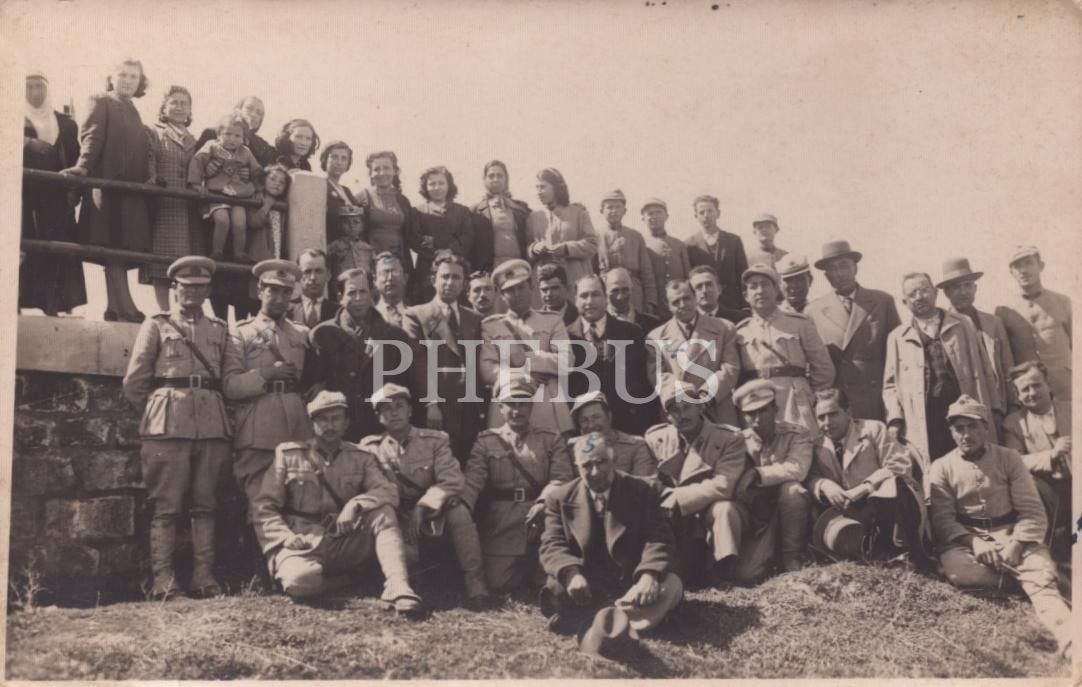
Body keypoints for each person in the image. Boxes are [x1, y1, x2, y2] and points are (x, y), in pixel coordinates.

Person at [252, 390, 422, 616]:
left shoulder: (361, 456)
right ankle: (351, 579)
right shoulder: (289, 455)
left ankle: (398, 587)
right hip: (304, 542)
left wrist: (356, 505)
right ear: (312, 424)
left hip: (345, 537)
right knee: (299, 582)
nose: (330, 425)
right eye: (323, 419)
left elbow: (387, 491)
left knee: (384, 512)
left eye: (336, 419)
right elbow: (264, 506)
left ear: (346, 423)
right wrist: (285, 537)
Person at [929, 395, 1071, 658]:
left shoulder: (1009, 458)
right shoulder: (941, 466)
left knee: (1045, 592)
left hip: (1012, 534)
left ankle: (1071, 639)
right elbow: (943, 520)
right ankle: (1034, 578)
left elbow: (1032, 510)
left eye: (973, 426)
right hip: (968, 541)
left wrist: (1016, 546)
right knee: (961, 574)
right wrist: (975, 543)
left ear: (985, 427)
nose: (966, 434)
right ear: (951, 432)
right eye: (959, 428)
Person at [122, 256, 229, 599]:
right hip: (166, 428)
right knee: (166, 507)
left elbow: (227, 379)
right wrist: (158, 411)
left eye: (200, 287)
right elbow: (135, 383)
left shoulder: (219, 329)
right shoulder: (157, 325)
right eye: (186, 287)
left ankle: (204, 576)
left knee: (205, 505)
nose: (193, 293)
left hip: (211, 426)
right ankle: (163, 581)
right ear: (174, 288)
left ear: (208, 290)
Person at [538, 431, 683, 647]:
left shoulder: (645, 490)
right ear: (577, 467)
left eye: (601, 462)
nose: (595, 472)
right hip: (587, 587)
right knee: (557, 589)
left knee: (670, 585)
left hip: (632, 584)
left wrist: (649, 575)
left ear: (614, 460)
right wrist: (571, 574)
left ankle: (598, 620)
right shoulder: (558, 498)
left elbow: (659, 537)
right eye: (587, 465)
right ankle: (625, 620)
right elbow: (552, 544)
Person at [360, 383, 490, 608]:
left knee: (459, 511)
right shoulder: (371, 448)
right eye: (386, 409)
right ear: (379, 417)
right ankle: (402, 585)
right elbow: (374, 489)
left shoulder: (435, 441)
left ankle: (475, 582)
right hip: (397, 516)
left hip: (432, 513)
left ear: (410, 410)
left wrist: (423, 506)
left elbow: (452, 479)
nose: (394, 413)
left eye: (399, 406)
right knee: (408, 555)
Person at [60, 57, 153, 323]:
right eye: (122, 74)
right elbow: (92, 137)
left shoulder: (133, 109)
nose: (128, 81)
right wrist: (83, 166)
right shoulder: (101, 100)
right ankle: (127, 307)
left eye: (134, 77)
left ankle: (115, 307)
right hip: (108, 187)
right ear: (111, 78)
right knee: (112, 247)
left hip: (130, 191)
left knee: (120, 247)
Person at [462, 374, 574, 592]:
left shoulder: (550, 439)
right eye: (511, 404)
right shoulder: (486, 441)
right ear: (500, 408)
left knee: (549, 582)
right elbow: (473, 480)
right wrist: (462, 506)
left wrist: (543, 502)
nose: (517, 410)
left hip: (542, 517)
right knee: (498, 583)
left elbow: (561, 477)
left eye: (523, 403)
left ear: (531, 406)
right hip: (502, 520)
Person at [882, 272, 1000, 468]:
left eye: (924, 290)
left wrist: (995, 408)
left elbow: (985, 368)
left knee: (975, 464)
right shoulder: (897, 337)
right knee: (936, 468)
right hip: (925, 416)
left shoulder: (962, 324)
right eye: (912, 294)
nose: (919, 297)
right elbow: (890, 386)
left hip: (964, 410)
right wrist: (895, 419)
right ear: (904, 302)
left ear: (935, 293)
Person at [223, 259, 315, 506]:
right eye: (273, 290)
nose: (279, 299)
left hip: (297, 430)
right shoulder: (240, 332)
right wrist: (266, 374)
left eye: (286, 292)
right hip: (258, 432)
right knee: (261, 507)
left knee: (299, 507)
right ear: (260, 290)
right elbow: (231, 385)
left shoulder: (302, 333)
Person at [643, 380, 748, 587]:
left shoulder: (728, 438)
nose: (682, 415)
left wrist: (677, 497)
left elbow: (724, 485)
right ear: (667, 416)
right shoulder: (656, 439)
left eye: (687, 407)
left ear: (700, 407)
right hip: (675, 516)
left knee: (725, 509)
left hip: (709, 509)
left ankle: (723, 572)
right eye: (675, 410)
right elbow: (650, 482)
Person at [808, 388, 929, 564]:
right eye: (821, 417)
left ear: (848, 412)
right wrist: (824, 485)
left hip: (885, 508)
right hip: (850, 516)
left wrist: (865, 487)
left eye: (833, 414)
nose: (827, 423)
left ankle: (908, 552)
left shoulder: (873, 429)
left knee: (894, 484)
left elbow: (899, 465)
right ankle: (864, 555)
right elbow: (811, 477)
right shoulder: (818, 445)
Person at [308, 268, 424, 441]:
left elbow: (406, 387)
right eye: (351, 293)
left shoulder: (395, 336)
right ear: (340, 296)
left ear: (372, 294)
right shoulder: (322, 335)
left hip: (382, 430)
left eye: (363, 292)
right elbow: (315, 388)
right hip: (338, 432)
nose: (358, 299)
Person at [402, 251, 486, 463]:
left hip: (469, 410)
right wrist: (431, 403)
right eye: (445, 276)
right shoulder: (416, 315)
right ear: (433, 280)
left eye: (456, 277)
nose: (450, 282)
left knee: (469, 466)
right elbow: (417, 364)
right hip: (437, 410)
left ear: (464, 283)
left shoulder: (475, 319)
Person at [807, 240, 900, 422]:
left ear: (855, 268)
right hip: (837, 401)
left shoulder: (882, 301)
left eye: (844, 266)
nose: (839, 273)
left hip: (876, 397)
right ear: (826, 276)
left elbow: (898, 353)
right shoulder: (813, 311)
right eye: (832, 269)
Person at [734, 264, 835, 434]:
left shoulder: (800, 324)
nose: (760, 291)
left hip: (795, 403)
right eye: (753, 286)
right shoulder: (740, 332)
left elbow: (824, 369)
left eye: (765, 284)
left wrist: (809, 397)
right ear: (746, 296)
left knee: (804, 444)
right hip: (757, 406)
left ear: (777, 289)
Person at [729, 380, 813, 581]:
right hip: (759, 517)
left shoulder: (796, 434)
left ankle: (793, 557)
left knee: (792, 490)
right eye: (751, 413)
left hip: (793, 510)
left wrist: (757, 474)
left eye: (763, 411)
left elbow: (797, 469)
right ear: (744, 416)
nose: (757, 419)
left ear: (775, 409)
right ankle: (770, 555)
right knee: (748, 574)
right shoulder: (738, 441)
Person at [479, 259, 574, 437]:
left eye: (521, 287)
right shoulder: (491, 326)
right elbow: (487, 369)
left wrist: (527, 359)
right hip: (508, 407)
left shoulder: (552, 321)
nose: (517, 294)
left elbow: (567, 361)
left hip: (547, 406)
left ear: (531, 287)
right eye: (510, 290)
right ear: (501, 295)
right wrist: (523, 375)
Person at [21, 70, 86, 316]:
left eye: (39, 86)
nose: (35, 92)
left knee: (58, 247)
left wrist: (74, 192)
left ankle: (55, 305)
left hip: (57, 196)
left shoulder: (65, 123)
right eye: (29, 87)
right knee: (25, 245)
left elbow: (76, 157)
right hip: (24, 195)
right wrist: (29, 142)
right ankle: (17, 304)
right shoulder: (11, 117)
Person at [567, 276, 659, 434]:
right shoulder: (566, 337)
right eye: (584, 296)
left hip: (631, 427)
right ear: (575, 300)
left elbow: (646, 385)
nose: (589, 301)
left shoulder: (632, 332)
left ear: (605, 297)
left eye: (595, 294)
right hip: (587, 430)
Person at [1002, 361, 1071, 562]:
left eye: (1037, 385)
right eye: (1025, 389)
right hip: (1049, 492)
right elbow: (1015, 461)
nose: (1032, 393)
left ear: (1048, 385)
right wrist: (1051, 455)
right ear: (1017, 396)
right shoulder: (1013, 423)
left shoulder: (1074, 409)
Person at [647, 280, 741, 426]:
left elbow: (730, 367)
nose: (683, 305)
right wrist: (685, 397)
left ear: (695, 297)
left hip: (717, 409)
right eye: (676, 302)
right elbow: (659, 376)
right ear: (667, 305)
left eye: (686, 298)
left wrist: (705, 395)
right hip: (679, 411)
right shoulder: (656, 337)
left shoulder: (724, 328)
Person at [142, 85, 198, 312]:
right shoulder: (154, 131)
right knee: (161, 257)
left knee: (184, 260)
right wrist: (153, 180)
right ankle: (164, 311)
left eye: (184, 103)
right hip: (164, 202)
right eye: (174, 102)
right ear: (164, 107)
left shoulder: (194, 139)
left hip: (186, 206)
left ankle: (181, 311)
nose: (179, 107)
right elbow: (149, 160)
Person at [938, 257, 1015, 414]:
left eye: (967, 285)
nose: (963, 292)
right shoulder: (942, 327)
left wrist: (1014, 405)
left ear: (975, 288)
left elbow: (1007, 366)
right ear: (946, 293)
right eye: (956, 287)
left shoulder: (993, 323)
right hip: (962, 407)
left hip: (997, 404)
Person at [995, 246, 1072, 402]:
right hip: (1030, 392)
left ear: (1041, 266)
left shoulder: (1064, 302)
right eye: (1017, 266)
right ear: (1011, 272)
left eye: (1029, 263)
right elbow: (1003, 357)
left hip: (1065, 386)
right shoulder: (1004, 311)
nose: (1023, 270)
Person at [189, 113, 262, 262]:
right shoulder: (212, 146)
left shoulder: (245, 152)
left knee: (240, 224)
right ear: (219, 134)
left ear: (244, 138)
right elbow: (197, 161)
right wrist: (196, 184)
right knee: (222, 221)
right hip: (217, 193)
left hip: (238, 193)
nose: (232, 139)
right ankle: (217, 252)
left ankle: (239, 253)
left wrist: (259, 190)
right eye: (227, 134)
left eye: (237, 136)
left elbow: (257, 171)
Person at [526, 168, 598, 306]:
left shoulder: (578, 213)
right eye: (537, 188)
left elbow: (592, 244)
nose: (538, 192)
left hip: (574, 277)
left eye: (543, 187)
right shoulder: (533, 217)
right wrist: (534, 249)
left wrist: (567, 248)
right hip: (545, 283)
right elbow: (525, 248)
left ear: (556, 188)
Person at [409, 166, 476, 305]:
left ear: (449, 185)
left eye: (441, 183)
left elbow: (468, 236)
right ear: (425, 187)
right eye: (432, 184)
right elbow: (414, 238)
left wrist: (450, 251)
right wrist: (435, 253)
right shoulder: (417, 212)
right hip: (427, 269)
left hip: (456, 266)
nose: (437, 187)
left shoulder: (462, 211)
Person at [594, 189, 659, 318]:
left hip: (633, 292)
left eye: (618, 207)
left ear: (624, 211)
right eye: (609, 207)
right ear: (601, 211)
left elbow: (646, 271)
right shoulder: (595, 236)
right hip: (606, 291)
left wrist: (651, 300)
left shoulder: (636, 236)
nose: (614, 211)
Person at [356, 150, 418, 274]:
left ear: (394, 171)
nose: (382, 173)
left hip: (400, 258)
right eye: (377, 169)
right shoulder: (362, 197)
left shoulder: (402, 200)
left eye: (386, 168)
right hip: (372, 258)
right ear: (371, 174)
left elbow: (412, 233)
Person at [569, 391, 658, 476]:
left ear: (609, 417)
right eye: (584, 420)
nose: (591, 425)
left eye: (596, 417)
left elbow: (644, 483)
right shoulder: (571, 450)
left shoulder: (636, 445)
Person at [685, 195, 749, 311]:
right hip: (703, 306)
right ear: (696, 216)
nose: (706, 215)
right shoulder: (689, 244)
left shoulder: (733, 240)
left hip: (732, 305)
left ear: (718, 213)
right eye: (701, 212)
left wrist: (745, 305)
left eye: (710, 211)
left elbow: (743, 275)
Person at [470, 160, 532, 274]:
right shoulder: (474, 212)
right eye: (491, 176)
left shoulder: (521, 208)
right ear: (484, 179)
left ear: (506, 179)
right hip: (489, 271)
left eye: (499, 176)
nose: (495, 179)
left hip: (519, 268)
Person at [641, 198, 692, 317]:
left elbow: (688, 276)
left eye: (658, 212)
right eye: (650, 213)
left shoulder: (678, 244)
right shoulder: (642, 244)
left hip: (680, 304)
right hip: (655, 306)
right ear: (643, 219)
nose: (654, 216)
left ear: (666, 216)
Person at [196, 95, 275, 167]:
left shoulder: (262, 147)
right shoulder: (211, 134)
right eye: (249, 108)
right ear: (238, 109)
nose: (253, 114)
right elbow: (196, 163)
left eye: (258, 113)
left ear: (260, 121)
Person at [326, 206, 375, 299]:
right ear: (339, 225)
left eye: (356, 222)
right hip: (341, 292)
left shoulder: (368, 249)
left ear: (362, 226)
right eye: (346, 222)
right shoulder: (333, 248)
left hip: (363, 291)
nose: (351, 226)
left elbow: (373, 273)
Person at [321, 140, 361, 244]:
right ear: (325, 159)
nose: (339, 162)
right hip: (328, 244)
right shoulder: (319, 185)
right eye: (334, 157)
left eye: (344, 158)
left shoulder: (346, 191)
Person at [604, 267, 662, 334]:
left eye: (625, 290)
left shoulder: (653, 324)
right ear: (606, 291)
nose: (620, 297)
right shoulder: (598, 324)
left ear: (632, 289)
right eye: (615, 291)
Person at [288, 249, 337, 328]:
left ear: (328, 275)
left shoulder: (339, 312)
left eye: (318, 271)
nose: (313, 277)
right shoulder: (285, 311)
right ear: (297, 275)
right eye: (307, 272)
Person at [374, 251, 410, 327]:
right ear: (375, 280)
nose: (390, 278)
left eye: (395, 272)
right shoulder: (366, 319)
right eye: (384, 273)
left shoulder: (417, 316)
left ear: (405, 278)